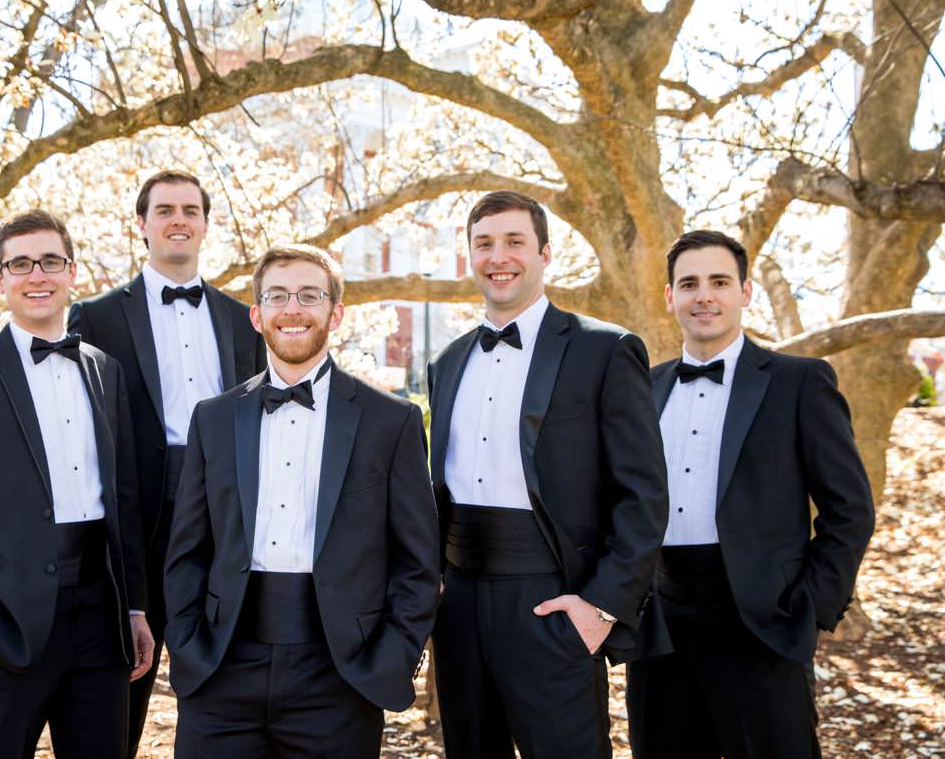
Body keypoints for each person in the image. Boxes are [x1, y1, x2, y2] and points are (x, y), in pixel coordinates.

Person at [164, 243, 439, 758]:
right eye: (277, 296)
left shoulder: (391, 422)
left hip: (340, 674)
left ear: (335, 313)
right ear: (257, 314)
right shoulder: (213, 419)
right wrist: (186, 647)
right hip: (221, 670)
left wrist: (390, 659)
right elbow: (187, 549)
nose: (292, 309)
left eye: (309, 295)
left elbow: (417, 561)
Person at [427, 191, 669, 758]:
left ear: (544, 253)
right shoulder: (447, 361)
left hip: (554, 602)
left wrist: (600, 607)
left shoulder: (604, 349)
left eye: (514, 242)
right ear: (470, 256)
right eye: (483, 244)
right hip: (459, 605)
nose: (498, 256)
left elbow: (644, 495)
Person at [0, 209, 151, 758]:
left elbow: (124, 500)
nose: (36, 275)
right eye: (20, 263)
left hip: (100, 617)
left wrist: (134, 608)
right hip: (5, 620)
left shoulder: (105, 371)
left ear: (72, 273)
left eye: (49, 262)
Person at [626, 230, 875, 759]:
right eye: (688, 283)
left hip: (763, 622)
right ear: (670, 297)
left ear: (745, 291)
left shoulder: (800, 382)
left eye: (719, 281)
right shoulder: (642, 389)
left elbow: (849, 509)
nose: (704, 295)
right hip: (660, 624)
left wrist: (810, 609)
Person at [68, 170, 264, 755]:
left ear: (205, 224)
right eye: (164, 210)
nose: (178, 219)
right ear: (142, 226)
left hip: (222, 516)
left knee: (222, 685)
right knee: (121, 688)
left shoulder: (241, 317)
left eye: (189, 209)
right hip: (133, 519)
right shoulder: (95, 317)